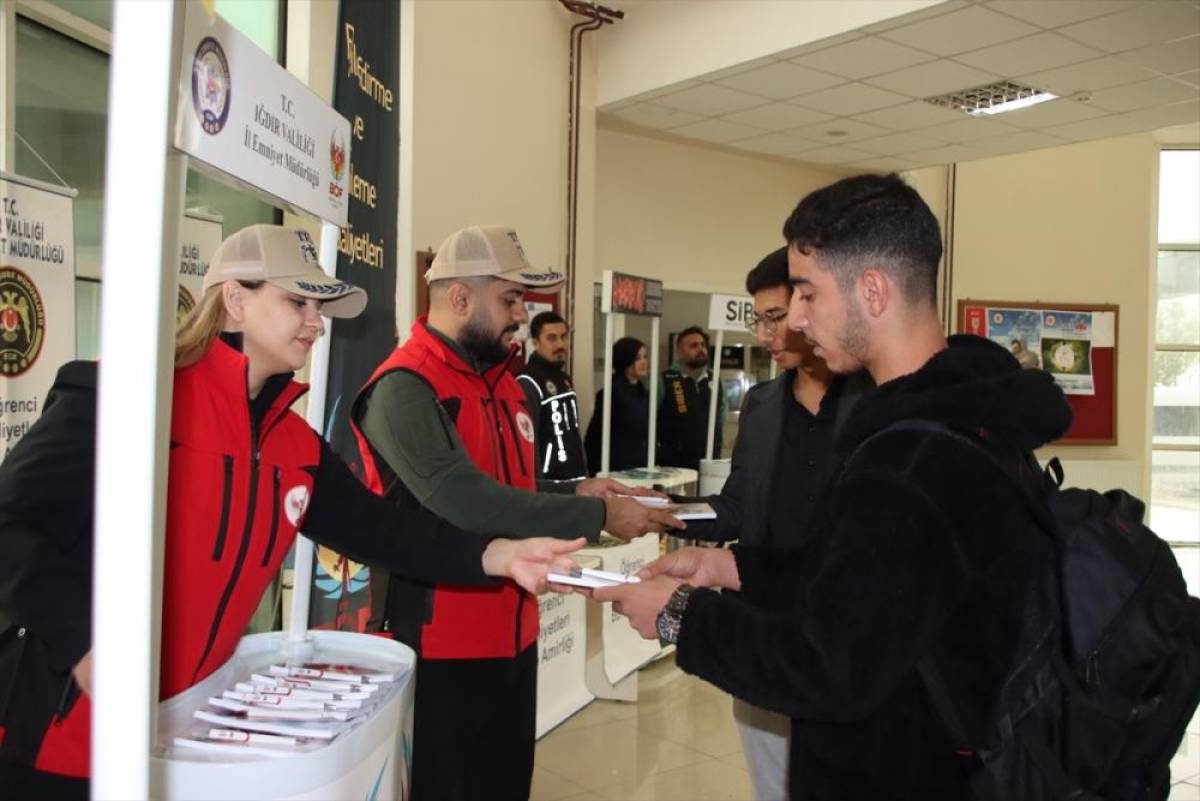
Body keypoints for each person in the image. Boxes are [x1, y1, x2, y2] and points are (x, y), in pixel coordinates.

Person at [0, 225, 582, 800]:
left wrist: (498, 554)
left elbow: (385, 531)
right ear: (235, 299)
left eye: (319, 305)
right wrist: (83, 644)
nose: (315, 321)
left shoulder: (291, 441)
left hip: (193, 743)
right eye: (297, 301)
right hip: (67, 734)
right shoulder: (127, 398)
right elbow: (13, 523)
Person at [590, 174, 1072, 800]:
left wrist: (678, 616)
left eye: (808, 294)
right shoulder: (965, 422)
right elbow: (872, 588)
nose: (794, 318)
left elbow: (830, 666)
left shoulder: (908, 462)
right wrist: (733, 569)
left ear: (872, 290)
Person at [350, 224, 683, 801]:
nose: (519, 315)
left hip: (514, 635)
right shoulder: (403, 388)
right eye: (509, 299)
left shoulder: (505, 386)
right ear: (460, 298)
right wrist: (597, 518)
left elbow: (513, 487)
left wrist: (580, 491)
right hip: (438, 646)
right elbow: (464, 500)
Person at [680, 246, 872, 801]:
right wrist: (663, 513)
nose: (764, 335)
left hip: (845, 633)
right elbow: (737, 506)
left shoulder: (876, 402)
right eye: (758, 319)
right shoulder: (762, 406)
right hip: (765, 626)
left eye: (775, 317)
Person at [517, 311, 589, 490]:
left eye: (564, 337)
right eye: (551, 338)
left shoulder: (564, 378)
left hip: (576, 480)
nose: (560, 344)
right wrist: (537, 486)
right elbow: (527, 441)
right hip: (550, 486)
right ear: (535, 342)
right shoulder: (528, 381)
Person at [657, 326, 725, 469]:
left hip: (709, 465)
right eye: (693, 346)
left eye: (702, 345)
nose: (700, 349)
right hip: (673, 468)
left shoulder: (715, 380)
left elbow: (721, 418)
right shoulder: (664, 380)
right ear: (679, 352)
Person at [584, 336, 651, 474]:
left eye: (645, 357)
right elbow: (596, 435)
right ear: (625, 360)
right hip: (617, 466)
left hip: (640, 464)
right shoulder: (611, 393)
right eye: (637, 358)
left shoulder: (643, 392)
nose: (644, 362)